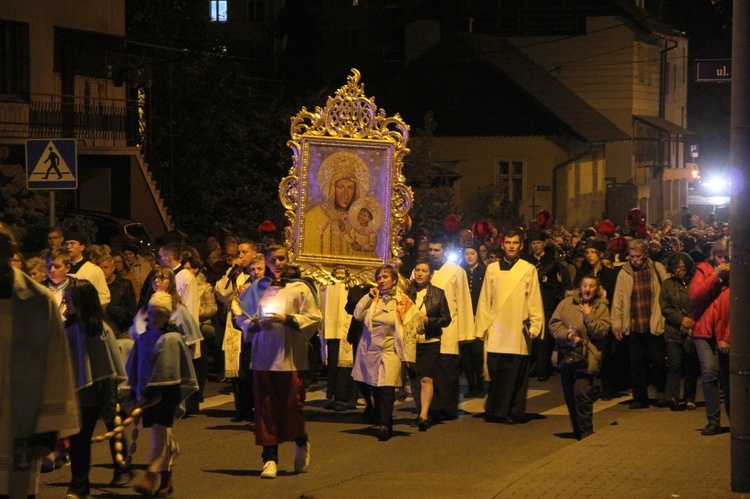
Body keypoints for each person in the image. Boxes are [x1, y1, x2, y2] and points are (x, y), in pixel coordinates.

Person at [0, 222, 80, 499]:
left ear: (10, 251)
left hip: (20, 422)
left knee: (17, 490)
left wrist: (49, 429)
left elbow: (56, 365)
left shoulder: (36, 300)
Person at [235, 244, 322, 478]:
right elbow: (240, 316)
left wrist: (288, 318)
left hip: (289, 355)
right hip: (263, 355)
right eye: (273, 259)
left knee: (290, 405)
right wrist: (254, 324)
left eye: (282, 258)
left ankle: (300, 439)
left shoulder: (301, 287)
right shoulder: (257, 288)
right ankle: (270, 459)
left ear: (289, 259)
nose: (278, 263)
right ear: (266, 261)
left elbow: (313, 318)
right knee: (265, 407)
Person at [126, 291, 198, 496]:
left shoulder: (172, 339)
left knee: (159, 432)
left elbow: (167, 372)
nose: (154, 317)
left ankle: (150, 476)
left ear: (168, 316)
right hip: (147, 395)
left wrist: (146, 395)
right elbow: (135, 367)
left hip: (166, 392)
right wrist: (134, 393)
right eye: (151, 312)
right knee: (161, 435)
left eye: (159, 313)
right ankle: (167, 481)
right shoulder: (143, 338)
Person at [62, 280, 129, 498]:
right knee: (78, 444)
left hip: (92, 396)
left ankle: (121, 467)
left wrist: (110, 403)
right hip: (73, 395)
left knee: (110, 432)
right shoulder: (68, 327)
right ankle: (79, 486)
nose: (64, 302)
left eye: (69, 299)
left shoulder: (100, 329)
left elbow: (108, 370)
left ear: (83, 300)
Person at [475, 229, 545, 424]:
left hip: (517, 329)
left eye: (515, 242)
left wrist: (535, 325)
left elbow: (534, 299)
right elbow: (484, 300)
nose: (512, 246)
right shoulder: (492, 269)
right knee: (496, 372)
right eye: (508, 242)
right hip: (496, 328)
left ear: (521, 246)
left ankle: (513, 411)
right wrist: (481, 328)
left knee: (516, 374)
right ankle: (496, 409)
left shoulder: (528, 269)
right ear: (503, 244)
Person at [352, 265, 421, 441]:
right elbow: (358, 315)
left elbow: (414, 325)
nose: (381, 281)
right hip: (372, 349)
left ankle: (385, 424)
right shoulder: (373, 299)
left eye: (385, 277)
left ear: (395, 281)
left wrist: (408, 353)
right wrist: (368, 296)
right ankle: (381, 417)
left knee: (387, 386)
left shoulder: (403, 302)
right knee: (375, 385)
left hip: (391, 349)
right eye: (379, 278)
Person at [548, 274, 610, 440]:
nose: (587, 289)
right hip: (567, 356)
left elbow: (601, 332)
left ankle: (586, 431)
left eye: (591, 286)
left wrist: (589, 316)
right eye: (584, 286)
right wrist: (567, 335)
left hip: (587, 359)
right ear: (579, 287)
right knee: (569, 396)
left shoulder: (601, 308)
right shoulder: (566, 304)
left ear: (597, 289)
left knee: (582, 394)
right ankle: (577, 430)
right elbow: (553, 325)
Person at [611, 239, 670, 409]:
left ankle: (661, 392)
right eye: (631, 256)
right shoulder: (625, 272)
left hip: (653, 322)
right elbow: (618, 299)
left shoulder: (656, 269)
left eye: (637, 256)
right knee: (636, 364)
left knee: (658, 361)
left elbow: (666, 291)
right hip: (634, 323)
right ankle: (640, 397)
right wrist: (616, 324)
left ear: (645, 255)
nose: (634, 260)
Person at [424, 233, 473, 421]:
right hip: (428, 328)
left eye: (437, 250)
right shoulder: (423, 270)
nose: (433, 253)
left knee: (447, 370)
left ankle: (447, 408)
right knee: (431, 370)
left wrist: (465, 332)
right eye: (431, 250)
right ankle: (431, 406)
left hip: (449, 328)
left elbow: (463, 302)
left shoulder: (456, 271)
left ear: (445, 251)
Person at [689, 238, 730, 436]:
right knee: (709, 373)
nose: (722, 260)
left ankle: (736, 419)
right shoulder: (704, 270)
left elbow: (738, 309)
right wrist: (714, 276)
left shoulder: (738, 275)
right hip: (704, 330)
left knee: (730, 377)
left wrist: (728, 337)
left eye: (726, 256)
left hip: (726, 333)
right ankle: (713, 421)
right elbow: (696, 294)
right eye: (719, 256)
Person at [405, 257, 451, 431]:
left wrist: (428, 320)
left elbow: (446, 319)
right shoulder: (407, 292)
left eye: (424, 271)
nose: (420, 273)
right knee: (415, 380)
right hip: (410, 342)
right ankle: (419, 412)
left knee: (426, 378)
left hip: (430, 341)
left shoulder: (438, 293)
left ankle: (424, 415)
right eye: (417, 270)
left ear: (431, 275)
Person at [215, 240, 256, 421]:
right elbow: (222, 293)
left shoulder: (259, 275)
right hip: (235, 327)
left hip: (253, 328)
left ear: (254, 254)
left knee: (251, 370)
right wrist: (230, 273)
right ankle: (242, 408)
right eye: (239, 252)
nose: (240, 256)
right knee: (237, 371)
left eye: (244, 252)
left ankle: (257, 406)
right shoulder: (236, 275)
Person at [523, 231, 571, 381]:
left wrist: (547, 282)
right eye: (533, 243)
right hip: (529, 303)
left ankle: (543, 369)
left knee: (545, 338)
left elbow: (559, 284)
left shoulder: (552, 261)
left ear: (544, 243)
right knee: (532, 337)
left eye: (538, 243)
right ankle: (532, 367)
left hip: (546, 302)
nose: (536, 246)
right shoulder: (526, 261)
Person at [303, 151, 371, 256]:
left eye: (351, 188)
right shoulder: (313, 216)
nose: (346, 195)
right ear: (332, 189)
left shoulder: (361, 220)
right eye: (340, 187)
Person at [660, 253, 700, 411]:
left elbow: (699, 303)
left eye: (683, 267)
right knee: (674, 364)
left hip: (692, 329)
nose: (680, 271)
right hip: (673, 330)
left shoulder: (695, 283)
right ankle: (673, 396)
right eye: (677, 267)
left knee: (690, 364)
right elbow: (665, 308)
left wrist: (690, 320)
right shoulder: (667, 284)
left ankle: (689, 397)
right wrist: (680, 319)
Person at [460, 239, 487, 398]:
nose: (469, 257)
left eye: (472, 253)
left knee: (478, 352)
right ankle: (470, 384)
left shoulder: (484, 271)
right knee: (466, 353)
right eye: (466, 254)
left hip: (479, 317)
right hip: (465, 317)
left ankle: (480, 384)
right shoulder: (460, 271)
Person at [64, 231, 110, 308]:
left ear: (82, 247)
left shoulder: (94, 270)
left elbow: (104, 297)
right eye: (66, 244)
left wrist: (86, 305)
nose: (68, 247)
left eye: (72, 243)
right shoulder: (60, 268)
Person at [99, 254, 137, 334]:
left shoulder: (125, 284)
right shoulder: (96, 286)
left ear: (113, 268)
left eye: (106, 267)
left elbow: (132, 309)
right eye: (100, 268)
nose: (103, 271)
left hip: (120, 328)